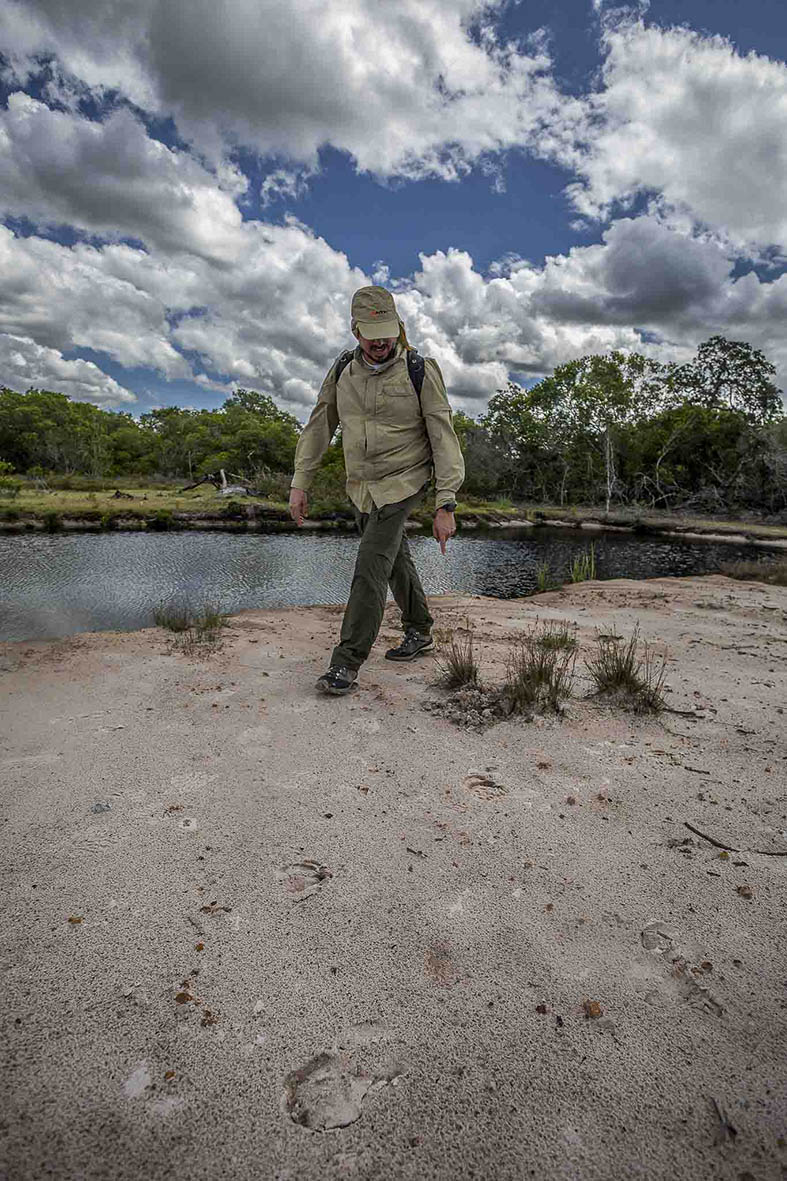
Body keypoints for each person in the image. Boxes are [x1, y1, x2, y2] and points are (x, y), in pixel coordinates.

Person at [288, 285, 465, 695]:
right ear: (356, 332)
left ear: (398, 326)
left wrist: (446, 501)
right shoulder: (341, 372)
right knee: (393, 557)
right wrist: (300, 483)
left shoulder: (420, 369)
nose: (382, 341)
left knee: (370, 566)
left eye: (388, 330)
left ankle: (346, 663)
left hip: (405, 480)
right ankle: (420, 630)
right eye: (372, 333)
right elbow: (319, 427)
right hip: (362, 486)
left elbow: (442, 435)